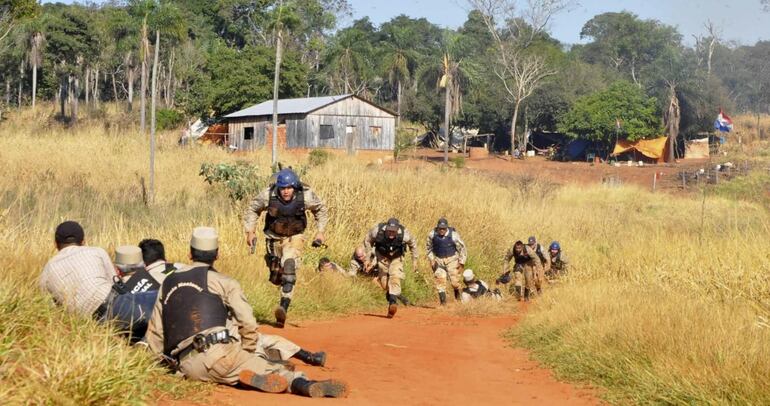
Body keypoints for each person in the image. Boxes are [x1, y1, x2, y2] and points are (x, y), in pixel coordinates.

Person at [144, 227, 347, 397]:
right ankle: (304, 384)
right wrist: (248, 350)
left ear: (189, 253)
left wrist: (156, 364)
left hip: (187, 366)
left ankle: (242, 376)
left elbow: (155, 333)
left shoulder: (168, 283)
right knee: (283, 371)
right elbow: (248, 323)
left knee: (228, 371)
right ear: (217, 255)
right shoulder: (225, 283)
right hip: (219, 355)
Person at [38, 221, 155, 340]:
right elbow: (117, 284)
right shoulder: (96, 252)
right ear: (83, 241)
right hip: (115, 306)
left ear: (56, 244)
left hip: (90, 327)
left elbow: (52, 313)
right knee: (162, 296)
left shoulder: (46, 273)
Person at [243, 168, 329, 328]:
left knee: (289, 265)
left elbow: (321, 209)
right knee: (277, 277)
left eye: (289, 187)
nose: (286, 191)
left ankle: (283, 308)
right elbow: (252, 209)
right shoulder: (268, 194)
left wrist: (320, 232)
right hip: (273, 239)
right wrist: (250, 231)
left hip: (295, 237)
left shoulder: (307, 195)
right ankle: (281, 292)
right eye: (282, 188)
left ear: (295, 186)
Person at [364, 218, 418, 318]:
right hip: (382, 257)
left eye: (394, 231)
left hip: (397, 258)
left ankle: (393, 303)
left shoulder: (404, 234)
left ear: (397, 229)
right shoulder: (377, 231)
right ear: (386, 229)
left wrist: (415, 260)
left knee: (395, 276)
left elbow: (413, 244)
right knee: (384, 284)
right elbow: (367, 240)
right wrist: (367, 258)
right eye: (389, 230)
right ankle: (392, 297)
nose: (391, 233)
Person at [426, 218, 468, 305]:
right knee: (440, 280)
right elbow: (428, 248)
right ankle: (443, 303)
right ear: (437, 227)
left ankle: (459, 299)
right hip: (438, 259)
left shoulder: (454, 235)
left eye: (443, 228)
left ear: (447, 228)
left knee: (455, 282)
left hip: (452, 259)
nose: (441, 230)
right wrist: (432, 259)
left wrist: (461, 262)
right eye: (440, 228)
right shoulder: (432, 234)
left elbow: (462, 248)